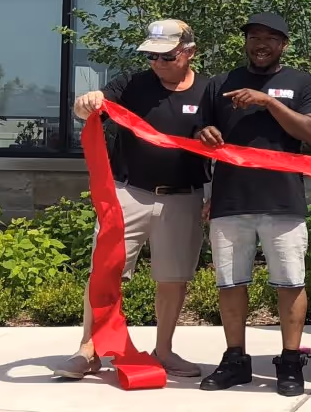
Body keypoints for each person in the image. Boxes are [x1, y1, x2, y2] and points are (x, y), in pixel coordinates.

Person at [60, 20, 209, 381]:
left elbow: (221, 145)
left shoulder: (209, 90)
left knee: (174, 279)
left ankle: (165, 350)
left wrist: (213, 194)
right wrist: (86, 104)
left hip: (184, 198)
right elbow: (88, 111)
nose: (157, 63)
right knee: (105, 272)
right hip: (129, 193)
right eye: (151, 56)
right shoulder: (131, 83)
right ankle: (89, 349)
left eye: (166, 56)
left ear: (189, 52)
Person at [194, 12, 311, 396]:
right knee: (230, 284)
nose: (261, 44)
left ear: (283, 44)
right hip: (229, 201)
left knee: (289, 284)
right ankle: (236, 360)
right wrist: (206, 133)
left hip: (283, 202)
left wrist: (269, 102)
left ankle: (289, 362)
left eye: (270, 37)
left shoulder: (303, 82)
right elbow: (200, 134)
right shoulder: (221, 83)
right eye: (254, 36)